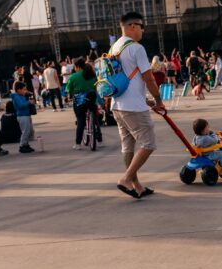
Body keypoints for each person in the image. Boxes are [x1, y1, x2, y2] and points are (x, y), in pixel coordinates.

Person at [110, 12, 163, 199]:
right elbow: (148, 78)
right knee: (149, 144)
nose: (143, 30)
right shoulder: (136, 48)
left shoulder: (114, 47)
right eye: (141, 26)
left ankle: (137, 186)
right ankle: (126, 179)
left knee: (128, 147)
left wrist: (145, 99)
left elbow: (128, 80)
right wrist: (158, 100)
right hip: (133, 107)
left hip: (117, 104)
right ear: (132, 26)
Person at [65, 57, 101, 150]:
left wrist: (70, 94)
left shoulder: (73, 76)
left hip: (79, 99)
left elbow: (68, 89)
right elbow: (97, 85)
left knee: (80, 120)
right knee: (94, 117)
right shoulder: (92, 75)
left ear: (77, 67)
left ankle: (78, 144)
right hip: (91, 97)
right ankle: (99, 140)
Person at [10, 81, 35, 154]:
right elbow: (21, 105)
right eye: (24, 89)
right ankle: (22, 145)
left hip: (26, 115)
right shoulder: (16, 97)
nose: (25, 91)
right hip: (22, 116)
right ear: (18, 90)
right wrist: (29, 102)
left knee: (29, 131)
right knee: (25, 131)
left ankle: (26, 144)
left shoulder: (22, 96)